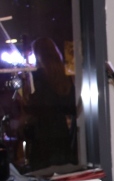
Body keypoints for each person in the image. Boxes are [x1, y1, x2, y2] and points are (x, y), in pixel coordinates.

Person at [21, 37, 77, 170]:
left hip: (43, 133)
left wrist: (25, 96)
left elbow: (36, 105)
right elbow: (70, 105)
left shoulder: (39, 76)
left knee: (43, 171)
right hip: (60, 131)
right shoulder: (64, 76)